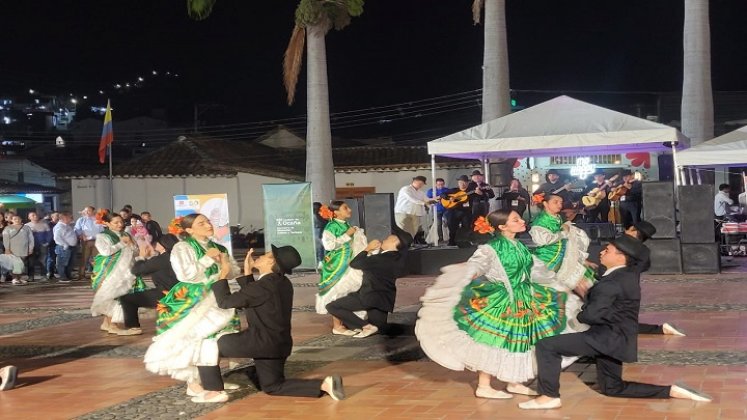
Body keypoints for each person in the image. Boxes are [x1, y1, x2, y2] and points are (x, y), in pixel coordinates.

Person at [520, 235, 711, 410]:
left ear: (622, 257)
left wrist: (581, 311)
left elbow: (592, 316)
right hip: (619, 339)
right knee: (613, 388)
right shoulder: (628, 274)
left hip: (604, 338)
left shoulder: (610, 283)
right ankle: (671, 390)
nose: (601, 252)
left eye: (608, 250)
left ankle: (548, 395)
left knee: (547, 345)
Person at [417, 210, 586, 399]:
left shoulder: (519, 245)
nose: (522, 221)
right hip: (502, 301)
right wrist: (463, 275)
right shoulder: (491, 248)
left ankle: (513, 381)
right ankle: (484, 385)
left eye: (520, 218)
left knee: (520, 339)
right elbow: (478, 265)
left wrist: (557, 285)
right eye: (516, 220)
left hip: (524, 298)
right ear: (502, 227)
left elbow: (536, 269)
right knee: (493, 340)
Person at [193, 245, 346, 403]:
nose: (259, 256)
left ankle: (213, 391)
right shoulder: (282, 282)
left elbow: (225, 302)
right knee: (273, 386)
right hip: (277, 345)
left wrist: (223, 274)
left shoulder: (263, 286)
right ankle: (324, 385)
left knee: (207, 344)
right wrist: (247, 271)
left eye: (266, 255)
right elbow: (254, 296)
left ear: (272, 262)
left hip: (259, 341)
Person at [143, 214, 239, 394]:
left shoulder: (218, 246)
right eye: (201, 223)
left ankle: (212, 380)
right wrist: (208, 259)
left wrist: (226, 265)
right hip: (192, 298)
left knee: (214, 338)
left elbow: (232, 272)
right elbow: (185, 275)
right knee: (193, 338)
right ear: (189, 230)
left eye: (208, 221)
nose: (208, 225)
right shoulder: (183, 247)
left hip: (218, 295)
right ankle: (193, 383)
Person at [326, 230, 412, 339]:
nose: (383, 240)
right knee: (379, 327)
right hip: (382, 300)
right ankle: (367, 326)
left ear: (394, 242)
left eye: (387, 239)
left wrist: (367, 249)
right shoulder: (396, 259)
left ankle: (365, 326)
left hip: (368, 295)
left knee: (332, 306)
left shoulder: (382, 259)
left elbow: (355, 264)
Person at [623, 221, 686, 337]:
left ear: (634, 232)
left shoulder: (624, 248)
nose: (625, 231)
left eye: (628, 229)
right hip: (630, 291)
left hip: (620, 292)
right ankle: (660, 329)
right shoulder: (643, 251)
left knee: (621, 325)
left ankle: (660, 329)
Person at [316, 202, 368, 335]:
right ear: (336, 212)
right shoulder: (331, 226)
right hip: (338, 265)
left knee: (349, 292)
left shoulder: (346, 224)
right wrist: (348, 235)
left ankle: (347, 322)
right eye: (345, 208)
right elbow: (329, 246)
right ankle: (337, 326)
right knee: (338, 292)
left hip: (349, 262)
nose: (349, 209)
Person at [91, 210, 145, 334]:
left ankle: (106, 323)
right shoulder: (103, 236)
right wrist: (121, 243)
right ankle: (112, 325)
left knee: (122, 295)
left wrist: (132, 244)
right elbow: (105, 251)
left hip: (127, 269)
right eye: (116, 223)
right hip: (112, 271)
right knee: (114, 295)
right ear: (107, 223)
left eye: (121, 222)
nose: (120, 224)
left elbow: (135, 251)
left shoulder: (127, 234)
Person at [530, 194, 595, 296]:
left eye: (561, 202)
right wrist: (564, 232)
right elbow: (544, 240)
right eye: (555, 202)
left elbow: (569, 236)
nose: (559, 205)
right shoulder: (541, 220)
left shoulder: (558, 217)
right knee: (548, 290)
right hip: (547, 258)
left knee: (579, 282)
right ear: (545, 204)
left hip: (562, 256)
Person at [117, 234, 180, 336]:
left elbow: (137, 271)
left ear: (162, 245)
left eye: (157, 243)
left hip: (166, 295)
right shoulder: (178, 256)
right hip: (184, 292)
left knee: (127, 298)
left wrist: (141, 257)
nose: (154, 245)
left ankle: (133, 327)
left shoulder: (160, 260)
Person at [2, 214, 34, 285]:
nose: (17, 220)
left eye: (18, 219)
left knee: (21, 264)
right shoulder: (7, 228)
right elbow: (5, 239)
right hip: (12, 249)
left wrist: (31, 248)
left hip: (23, 249)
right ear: (11, 220)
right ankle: (15, 278)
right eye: (15, 219)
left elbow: (31, 238)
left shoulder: (26, 228)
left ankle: (19, 278)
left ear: (21, 219)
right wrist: (7, 248)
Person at [74, 206, 104, 281]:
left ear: (93, 211)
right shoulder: (81, 220)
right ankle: (81, 275)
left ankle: (97, 274)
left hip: (96, 241)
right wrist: (81, 235)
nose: (87, 212)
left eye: (89, 211)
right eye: (85, 211)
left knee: (97, 259)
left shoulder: (98, 219)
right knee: (84, 258)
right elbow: (77, 229)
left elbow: (102, 230)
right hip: (86, 241)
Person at [443, 175, 473, 247]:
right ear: (458, 183)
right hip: (453, 211)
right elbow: (442, 195)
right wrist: (449, 198)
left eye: (465, 182)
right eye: (461, 182)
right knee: (452, 227)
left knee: (466, 227)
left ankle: (465, 241)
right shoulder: (453, 190)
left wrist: (480, 193)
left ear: (468, 183)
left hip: (466, 212)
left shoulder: (471, 191)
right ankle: (452, 241)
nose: (463, 184)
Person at [26, 211, 52, 281]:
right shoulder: (26, 226)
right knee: (31, 261)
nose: (35, 216)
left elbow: (49, 234)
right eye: (33, 215)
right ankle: (30, 276)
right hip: (31, 246)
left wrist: (47, 242)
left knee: (43, 260)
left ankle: (43, 276)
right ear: (29, 217)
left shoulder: (44, 224)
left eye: (36, 215)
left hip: (42, 245)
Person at [53, 212, 78, 283]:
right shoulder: (60, 226)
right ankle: (63, 277)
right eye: (70, 217)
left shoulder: (67, 225)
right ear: (65, 218)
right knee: (62, 263)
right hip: (64, 247)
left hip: (70, 247)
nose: (71, 219)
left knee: (69, 263)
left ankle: (67, 276)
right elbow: (57, 238)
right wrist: (65, 245)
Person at [426, 178, 449, 243]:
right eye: (439, 184)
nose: (440, 186)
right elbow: (427, 199)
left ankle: (449, 237)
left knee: (448, 222)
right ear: (436, 184)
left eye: (442, 184)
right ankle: (440, 238)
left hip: (446, 209)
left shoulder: (447, 190)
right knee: (439, 224)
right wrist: (436, 198)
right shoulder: (431, 191)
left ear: (444, 184)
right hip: (437, 209)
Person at [45, 212, 59, 279]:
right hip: (51, 244)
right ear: (52, 217)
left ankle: (57, 272)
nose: (58, 217)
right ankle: (50, 273)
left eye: (59, 215)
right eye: (56, 216)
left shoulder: (61, 224)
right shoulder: (49, 224)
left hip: (60, 243)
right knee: (51, 259)